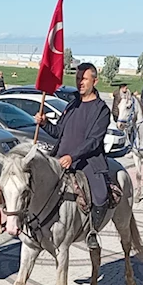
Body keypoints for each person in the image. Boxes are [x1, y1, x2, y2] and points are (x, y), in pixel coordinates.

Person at [36, 63, 111, 250]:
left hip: (87, 161)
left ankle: (92, 232)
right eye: (77, 79)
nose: (80, 83)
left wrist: (73, 156)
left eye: (84, 79)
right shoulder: (72, 104)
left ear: (95, 80)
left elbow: (94, 141)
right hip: (60, 158)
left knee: (101, 195)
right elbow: (58, 131)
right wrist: (45, 123)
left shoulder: (101, 109)